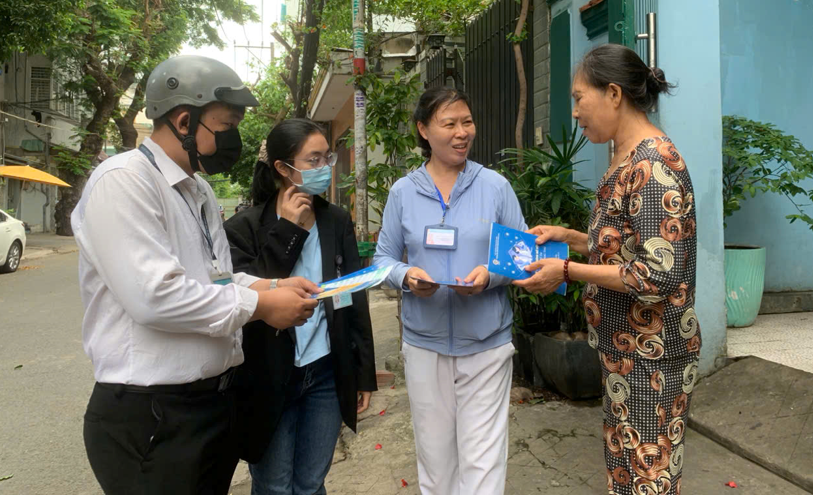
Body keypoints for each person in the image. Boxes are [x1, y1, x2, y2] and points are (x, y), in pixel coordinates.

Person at [72, 56, 321, 495]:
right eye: (226, 126)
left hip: (209, 406)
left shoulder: (198, 189)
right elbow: (156, 296)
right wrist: (263, 305)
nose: (233, 139)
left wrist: (271, 286)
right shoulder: (124, 181)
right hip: (152, 414)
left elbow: (217, 280)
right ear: (184, 120)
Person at [514, 44, 701, 495]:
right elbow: (623, 245)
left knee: (648, 480)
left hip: (653, 357)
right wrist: (571, 237)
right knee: (625, 475)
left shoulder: (652, 165)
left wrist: (567, 270)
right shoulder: (623, 157)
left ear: (613, 94)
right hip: (624, 352)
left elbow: (655, 275)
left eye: (579, 98)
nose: (575, 112)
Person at [374, 87, 526, 495]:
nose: (462, 133)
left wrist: (489, 276)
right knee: (436, 464)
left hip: (487, 345)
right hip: (425, 345)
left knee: (483, 464)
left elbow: (524, 254)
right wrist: (406, 276)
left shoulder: (495, 187)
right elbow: (382, 259)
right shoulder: (403, 192)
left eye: (467, 122)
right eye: (450, 124)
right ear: (424, 130)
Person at [224, 119, 377, 495]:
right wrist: (289, 230)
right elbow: (248, 297)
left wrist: (362, 373)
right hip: (269, 377)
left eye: (327, 158)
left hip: (325, 373)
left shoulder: (336, 220)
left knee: (310, 483)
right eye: (313, 160)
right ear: (282, 167)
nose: (325, 167)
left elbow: (353, 296)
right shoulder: (243, 228)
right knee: (274, 486)